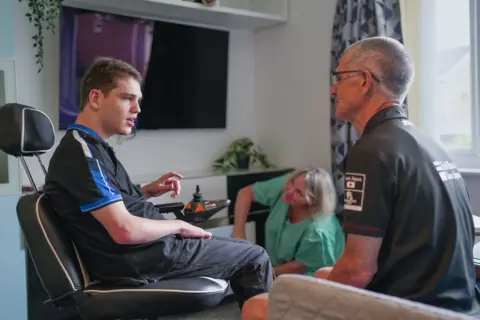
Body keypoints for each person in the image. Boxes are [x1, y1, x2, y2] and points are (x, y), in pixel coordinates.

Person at [242, 36, 480, 319]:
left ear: (364, 80)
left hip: (414, 310)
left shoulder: (372, 150)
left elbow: (358, 270)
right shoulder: (428, 143)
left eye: (339, 78)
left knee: (256, 305)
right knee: (320, 272)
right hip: (461, 307)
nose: (333, 89)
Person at [42, 57, 275, 309]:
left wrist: (145, 192)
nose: (137, 109)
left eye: (138, 100)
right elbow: (124, 230)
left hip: (142, 253)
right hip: (140, 257)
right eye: (127, 98)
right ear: (96, 98)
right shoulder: (81, 153)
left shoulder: (90, 148)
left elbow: (108, 209)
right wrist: (178, 225)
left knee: (244, 249)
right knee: (255, 257)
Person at [232, 168, 345, 277]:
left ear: (313, 202)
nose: (289, 191)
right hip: (275, 270)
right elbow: (245, 193)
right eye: (292, 183)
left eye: (299, 193)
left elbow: (300, 266)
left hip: (310, 278)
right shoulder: (289, 183)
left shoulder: (318, 231)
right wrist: (239, 233)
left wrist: (262, 272)